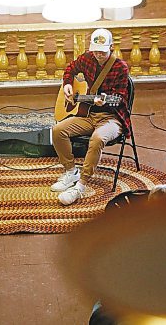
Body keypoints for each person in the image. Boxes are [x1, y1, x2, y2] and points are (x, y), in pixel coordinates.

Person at [51, 28, 130, 206]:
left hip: (112, 117)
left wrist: (106, 102)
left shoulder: (120, 67)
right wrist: (67, 85)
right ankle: (71, 171)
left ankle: (81, 185)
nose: (98, 55)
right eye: (95, 50)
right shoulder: (87, 58)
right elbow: (70, 68)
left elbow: (119, 98)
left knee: (97, 138)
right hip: (88, 114)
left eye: (102, 51)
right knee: (57, 130)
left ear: (111, 46)